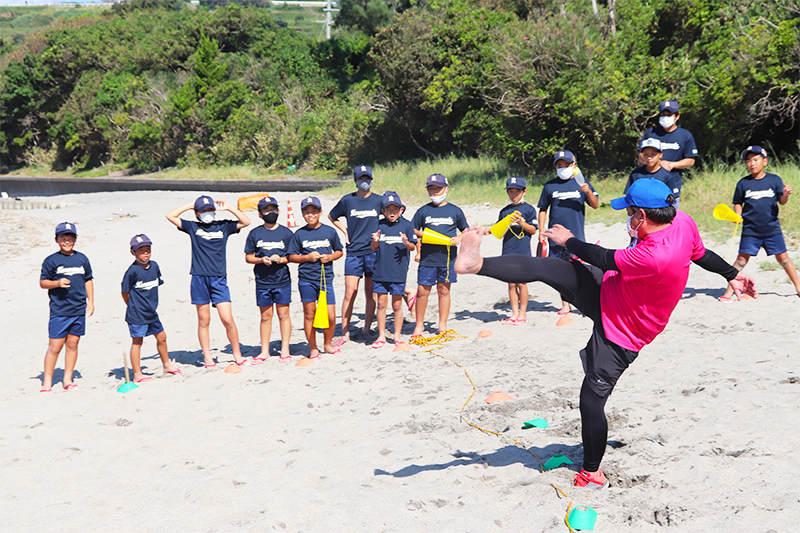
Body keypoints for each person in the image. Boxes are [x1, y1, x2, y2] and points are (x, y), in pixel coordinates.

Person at [454, 178, 758, 489]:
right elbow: (701, 253)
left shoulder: (653, 254)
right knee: (548, 269)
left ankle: (592, 471)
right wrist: (732, 275)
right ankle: (475, 263)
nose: (626, 216)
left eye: (629, 212)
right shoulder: (682, 221)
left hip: (624, 329)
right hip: (610, 289)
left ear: (641, 215)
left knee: (591, 401)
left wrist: (569, 240)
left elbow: (602, 258)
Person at [166, 195, 251, 368]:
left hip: (219, 278)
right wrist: (190, 205)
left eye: (210, 210)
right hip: (199, 278)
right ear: (197, 213)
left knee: (227, 319)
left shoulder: (224, 226)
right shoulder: (192, 226)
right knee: (204, 320)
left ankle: (237, 354)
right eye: (203, 210)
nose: (207, 213)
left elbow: (246, 221)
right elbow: (170, 216)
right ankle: (207, 357)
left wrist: (229, 208)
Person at [720, 145, 800, 301]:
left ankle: (798, 286)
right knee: (741, 260)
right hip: (750, 230)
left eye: (755, 159)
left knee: (783, 258)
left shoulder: (774, 180)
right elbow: (738, 202)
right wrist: (738, 214)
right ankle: (728, 293)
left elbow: (782, 202)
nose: (752, 163)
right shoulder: (743, 183)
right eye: (748, 161)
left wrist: (785, 194)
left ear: (765, 161)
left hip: (772, 229)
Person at [538, 150, 599, 315]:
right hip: (555, 236)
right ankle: (565, 304)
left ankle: (584, 302)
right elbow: (543, 209)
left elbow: (595, 205)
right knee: (560, 272)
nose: (563, 168)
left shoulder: (582, 183)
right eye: (559, 166)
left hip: (576, 236)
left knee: (580, 270)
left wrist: (588, 192)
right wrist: (541, 231)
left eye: (566, 165)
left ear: (574, 165)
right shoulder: (550, 186)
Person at [328, 165, 383, 346]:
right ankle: (345, 332)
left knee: (371, 292)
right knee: (350, 292)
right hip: (354, 252)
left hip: (373, 252)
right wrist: (345, 232)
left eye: (367, 178)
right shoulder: (347, 200)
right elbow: (332, 216)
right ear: (355, 181)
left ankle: (367, 328)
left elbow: (395, 212)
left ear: (372, 180)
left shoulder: (379, 201)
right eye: (361, 179)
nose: (364, 182)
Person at [411, 173, 469, 336]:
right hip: (428, 258)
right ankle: (419, 325)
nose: (435, 192)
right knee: (423, 291)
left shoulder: (455, 211)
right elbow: (413, 230)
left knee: (444, 290)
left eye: (438, 188)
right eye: (431, 189)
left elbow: (465, 229)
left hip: (448, 259)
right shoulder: (423, 211)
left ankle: (442, 325)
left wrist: (459, 238)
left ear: (446, 189)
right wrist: (422, 242)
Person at [39, 222, 94, 392]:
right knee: (54, 347)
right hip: (59, 310)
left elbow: (88, 279)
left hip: (78, 309)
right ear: (57, 240)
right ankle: (47, 381)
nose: (67, 241)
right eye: (63, 237)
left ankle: (67, 379)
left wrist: (91, 301)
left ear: (75, 239)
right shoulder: (51, 260)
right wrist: (57, 283)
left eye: (70, 237)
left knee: (73, 344)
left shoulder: (82, 258)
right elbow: (43, 283)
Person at [288, 196, 344, 359]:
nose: (310, 215)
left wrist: (330, 257)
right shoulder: (299, 234)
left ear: (320, 212)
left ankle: (327, 344)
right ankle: (313, 347)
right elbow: (292, 256)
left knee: (330, 315)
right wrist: (306, 258)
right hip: (306, 280)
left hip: (326, 279)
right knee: (309, 314)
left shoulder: (329, 231)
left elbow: (339, 251)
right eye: (306, 212)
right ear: (302, 214)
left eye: (314, 211)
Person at [121, 234, 182, 382]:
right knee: (137, 342)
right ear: (133, 252)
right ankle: (137, 374)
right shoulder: (132, 271)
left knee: (162, 337)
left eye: (147, 249)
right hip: (136, 313)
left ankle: (166, 365)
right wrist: (134, 306)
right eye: (140, 250)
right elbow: (125, 292)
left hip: (151, 312)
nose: (145, 253)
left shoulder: (154, 266)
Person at [244, 197, 294, 363]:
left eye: (273, 209)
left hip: (282, 280)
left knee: (283, 315)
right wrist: (261, 259)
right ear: (260, 214)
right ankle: (264, 350)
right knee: (265, 317)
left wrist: (281, 259)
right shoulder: (255, 233)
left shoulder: (287, 233)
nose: (270, 213)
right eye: (266, 210)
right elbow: (249, 257)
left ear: (279, 211)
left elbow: (293, 256)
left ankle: (285, 349)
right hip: (263, 281)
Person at [370, 191, 418, 347]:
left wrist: (406, 242)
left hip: (398, 273)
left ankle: (397, 336)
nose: (392, 212)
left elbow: (412, 247)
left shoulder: (407, 225)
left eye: (395, 209)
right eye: (388, 209)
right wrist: (375, 241)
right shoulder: (378, 225)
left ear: (401, 210)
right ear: (383, 211)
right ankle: (382, 335)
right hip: (380, 272)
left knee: (397, 305)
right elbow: (373, 247)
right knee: (381, 305)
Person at [640, 99, 699, 206]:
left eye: (669, 114)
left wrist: (672, 164)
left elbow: (690, 160)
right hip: (649, 184)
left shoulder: (685, 135)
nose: (665, 117)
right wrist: (659, 163)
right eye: (663, 114)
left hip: (672, 185)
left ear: (677, 116)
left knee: (670, 219)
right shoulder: (651, 133)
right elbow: (640, 154)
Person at [497, 176, 538, 324]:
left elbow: (533, 230)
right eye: (510, 192)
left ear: (524, 191)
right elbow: (498, 232)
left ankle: (522, 313)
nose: (513, 195)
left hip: (523, 251)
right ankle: (514, 313)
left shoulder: (529, 209)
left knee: (521, 283)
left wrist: (521, 222)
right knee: (511, 283)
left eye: (517, 192)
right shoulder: (504, 211)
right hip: (508, 250)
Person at [625, 139, 680, 207]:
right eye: (645, 154)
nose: (649, 158)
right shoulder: (636, 174)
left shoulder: (667, 176)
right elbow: (629, 197)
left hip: (659, 212)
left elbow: (673, 201)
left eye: (653, 154)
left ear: (660, 155)